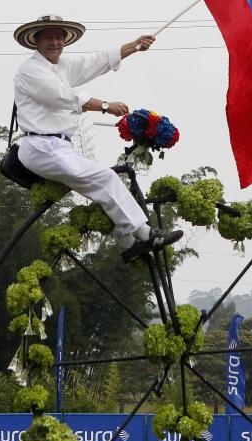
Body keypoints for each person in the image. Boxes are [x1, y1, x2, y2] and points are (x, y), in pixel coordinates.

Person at [12, 14, 182, 262]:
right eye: (48, 36)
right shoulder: (30, 70)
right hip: (40, 146)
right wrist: (105, 105)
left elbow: (96, 61)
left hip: (59, 147)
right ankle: (144, 234)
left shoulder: (61, 67)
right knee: (104, 177)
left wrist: (134, 46)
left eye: (59, 37)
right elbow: (62, 96)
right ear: (36, 41)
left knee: (104, 183)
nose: (55, 42)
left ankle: (127, 243)